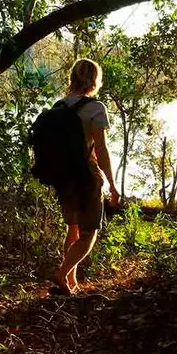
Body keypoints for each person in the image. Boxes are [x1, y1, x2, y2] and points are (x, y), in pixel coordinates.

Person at [52, 58, 119, 294]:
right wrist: (112, 183)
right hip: (87, 176)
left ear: (72, 78)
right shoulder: (95, 108)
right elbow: (100, 149)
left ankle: (70, 282)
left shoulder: (58, 106)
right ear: (94, 80)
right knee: (89, 233)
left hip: (64, 177)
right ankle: (62, 273)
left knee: (73, 229)